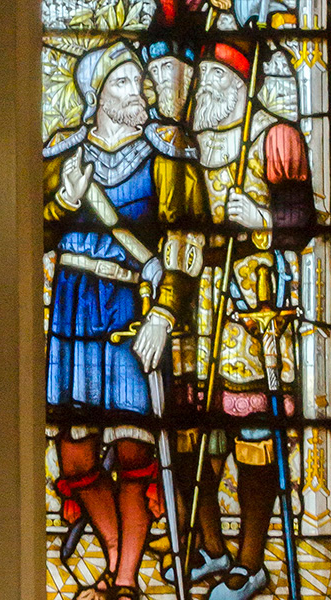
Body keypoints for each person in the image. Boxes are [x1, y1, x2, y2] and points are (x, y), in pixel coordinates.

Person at [43, 41, 205, 600]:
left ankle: (125, 580)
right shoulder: (61, 158)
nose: (140, 92)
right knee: (75, 453)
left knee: (136, 451)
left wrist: (164, 313)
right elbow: (24, 231)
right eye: (123, 82)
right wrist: (63, 202)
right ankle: (115, 553)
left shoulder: (167, 159)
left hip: (132, 309)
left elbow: (188, 242)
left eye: (140, 82)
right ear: (96, 95)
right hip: (73, 308)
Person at [188, 43, 314, 600]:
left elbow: (302, 220)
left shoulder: (274, 136)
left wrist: (261, 217)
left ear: (242, 79)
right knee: (198, 433)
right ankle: (212, 547)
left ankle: (251, 560)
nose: (205, 85)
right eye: (202, 74)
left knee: (253, 438)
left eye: (216, 75)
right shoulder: (190, 138)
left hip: (252, 305)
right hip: (201, 301)